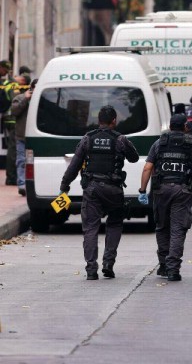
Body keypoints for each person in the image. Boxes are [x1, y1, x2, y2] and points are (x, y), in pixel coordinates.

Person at [59, 106, 140, 280]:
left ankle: (91, 269)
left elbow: (74, 165)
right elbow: (134, 158)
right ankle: (108, 263)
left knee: (90, 228)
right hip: (113, 189)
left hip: (92, 189)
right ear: (114, 121)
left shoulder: (88, 139)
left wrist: (64, 185)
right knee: (115, 223)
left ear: (99, 121)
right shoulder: (120, 139)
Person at [138, 114, 192, 281]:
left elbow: (148, 167)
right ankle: (173, 269)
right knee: (177, 229)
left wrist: (142, 190)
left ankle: (163, 265)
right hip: (181, 191)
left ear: (170, 126)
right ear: (186, 127)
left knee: (162, 227)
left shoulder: (159, 143)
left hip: (161, 190)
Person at [12, 78, 37, 196]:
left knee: (35, 162)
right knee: (21, 160)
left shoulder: (43, 97)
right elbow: (14, 111)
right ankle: (22, 185)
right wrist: (25, 99)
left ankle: (35, 185)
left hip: (36, 136)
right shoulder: (20, 97)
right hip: (22, 136)